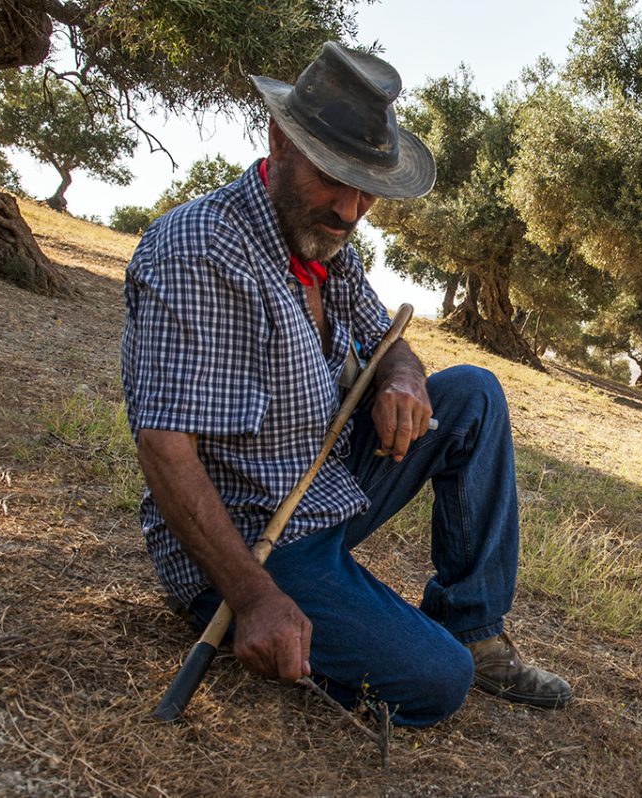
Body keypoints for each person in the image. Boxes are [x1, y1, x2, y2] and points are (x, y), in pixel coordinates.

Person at [120, 42, 572, 727]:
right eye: (335, 178)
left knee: (473, 395)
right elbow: (164, 447)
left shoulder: (327, 246)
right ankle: (277, 612)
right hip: (252, 541)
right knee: (437, 681)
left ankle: (473, 628)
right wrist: (253, 598)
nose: (351, 209)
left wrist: (403, 377)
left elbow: (390, 340)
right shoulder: (204, 250)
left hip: (321, 487)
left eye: (368, 189)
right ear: (279, 141)